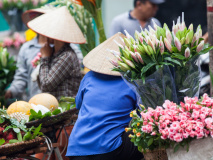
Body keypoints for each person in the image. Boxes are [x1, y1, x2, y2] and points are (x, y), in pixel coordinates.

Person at [66, 32, 143, 160]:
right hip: (109, 150)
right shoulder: (132, 81)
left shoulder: (89, 77)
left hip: (76, 149)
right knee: (142, 135)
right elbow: (142, 114)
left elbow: (78, 104)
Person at [27, 7, 86, 160]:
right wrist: (46, 57)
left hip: (65, 121)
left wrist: (45, 58)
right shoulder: (56, 54)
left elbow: (46, 85)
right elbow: (43, 86)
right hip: (55, 120)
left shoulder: (67, 55)